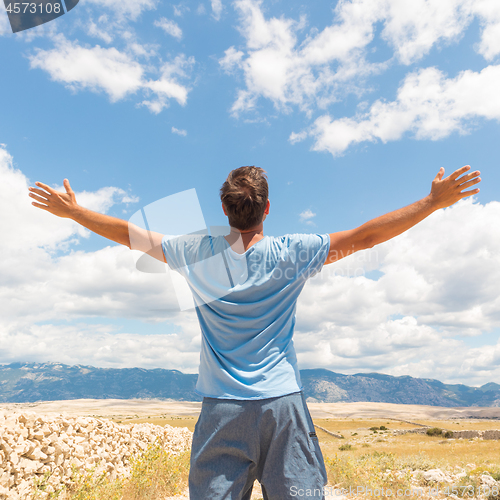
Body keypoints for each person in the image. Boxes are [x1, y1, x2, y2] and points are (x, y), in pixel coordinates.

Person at [29, 165, 481, 499]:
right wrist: (433, 202)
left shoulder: (195, 253)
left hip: (222, 408)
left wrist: (74, 212)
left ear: (224, 210)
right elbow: (364, 238)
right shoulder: (293, 253)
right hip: (283, 406)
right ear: (267, 209)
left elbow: (130, 234)